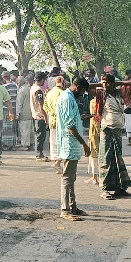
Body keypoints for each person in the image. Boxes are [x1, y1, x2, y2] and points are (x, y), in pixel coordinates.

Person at [92, 73, 131, 200]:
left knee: (117, 159)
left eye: (107, 83)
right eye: (103, 83)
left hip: (117, 130)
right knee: (106, 159)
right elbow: (88, 86)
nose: (104, 85)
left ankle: (118, 188)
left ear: (113, 83)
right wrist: (102, 84)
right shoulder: (101, 94)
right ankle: (104, 189)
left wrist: (117, 83)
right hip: (107, 129)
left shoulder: (120, 93)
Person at [55, 77, 92, 221]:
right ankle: (65, 209)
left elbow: (71, 119)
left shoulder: (69, 97)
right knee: (67, 178)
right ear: (77, 87)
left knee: (71, 177)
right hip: (69, 142)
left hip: (72, 143)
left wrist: (81, 117)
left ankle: (72, 206)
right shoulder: (67, 98)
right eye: (82, 91)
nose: (82, 94)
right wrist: (84, 143)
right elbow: (70, 126)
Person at [44, 76, 66, 171]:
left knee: (53, 142)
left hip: (52, 120)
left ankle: (56, 162)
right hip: (61, 121)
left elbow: (45, 106)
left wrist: (51, 113)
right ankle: (58, 163)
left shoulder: (49, 93)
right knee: (61, 142)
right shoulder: (63, 93)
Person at [30, 73, 48, 161]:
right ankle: (39, 154)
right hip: (40, 115)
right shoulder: (38, 90)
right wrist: (45, 116)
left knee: (38, 135)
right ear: (41, 80)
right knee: (40, 135)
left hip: (34, 114)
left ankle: (38, 152)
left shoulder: (32, 88)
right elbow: (41, 104)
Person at [16, 75, 34, 151]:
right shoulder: (30, 88)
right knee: (30, 129)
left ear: (20, 82)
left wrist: (17, 114)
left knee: (24, 130)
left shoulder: (22, 90)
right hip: (31, 112)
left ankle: (25, 145)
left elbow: (19, 103)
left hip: (24, 113)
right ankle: (31, 143)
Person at [1, 71, 18, 150]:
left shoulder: (4, 87)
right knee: (13, 127)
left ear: (4, 77)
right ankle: (12, 144)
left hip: (5, 109)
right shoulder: (15, 85)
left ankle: (6, 144)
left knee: (6, 128)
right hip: (14, 108)